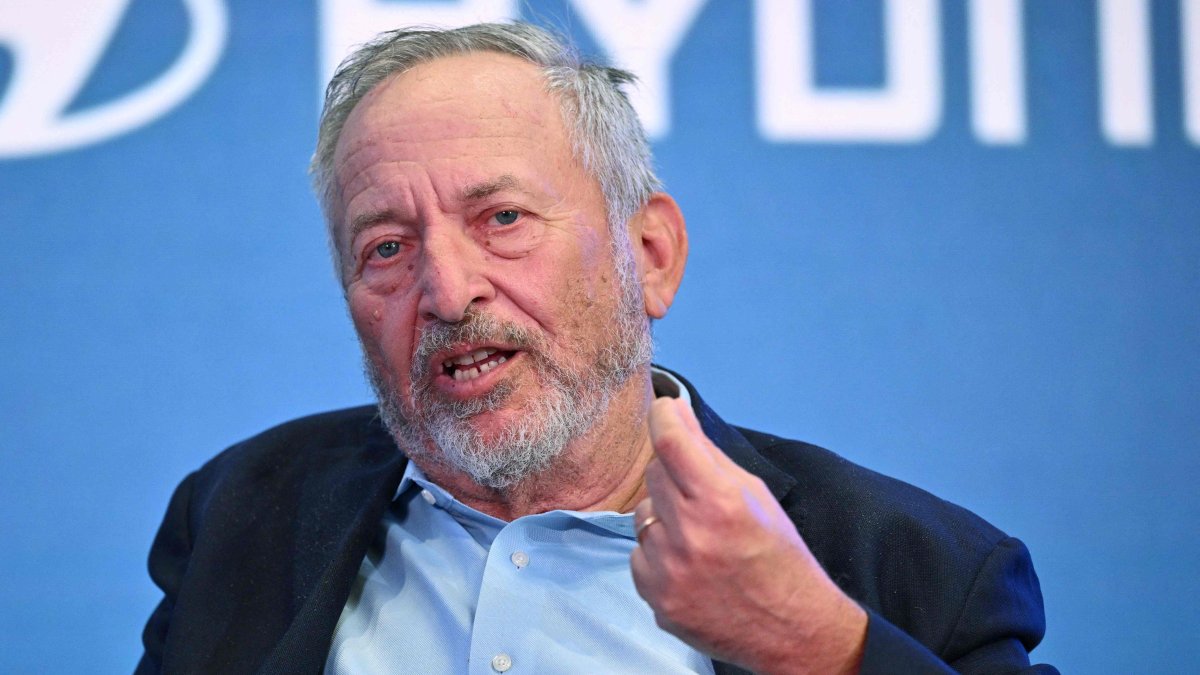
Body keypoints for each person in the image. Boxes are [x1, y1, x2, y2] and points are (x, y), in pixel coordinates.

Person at [138, 22, 1056, 675]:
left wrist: (819, 651)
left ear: (649, 255)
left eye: (502, 219)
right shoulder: (238, 517)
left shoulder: (908, 568)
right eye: (386, 247)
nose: (448, 291)